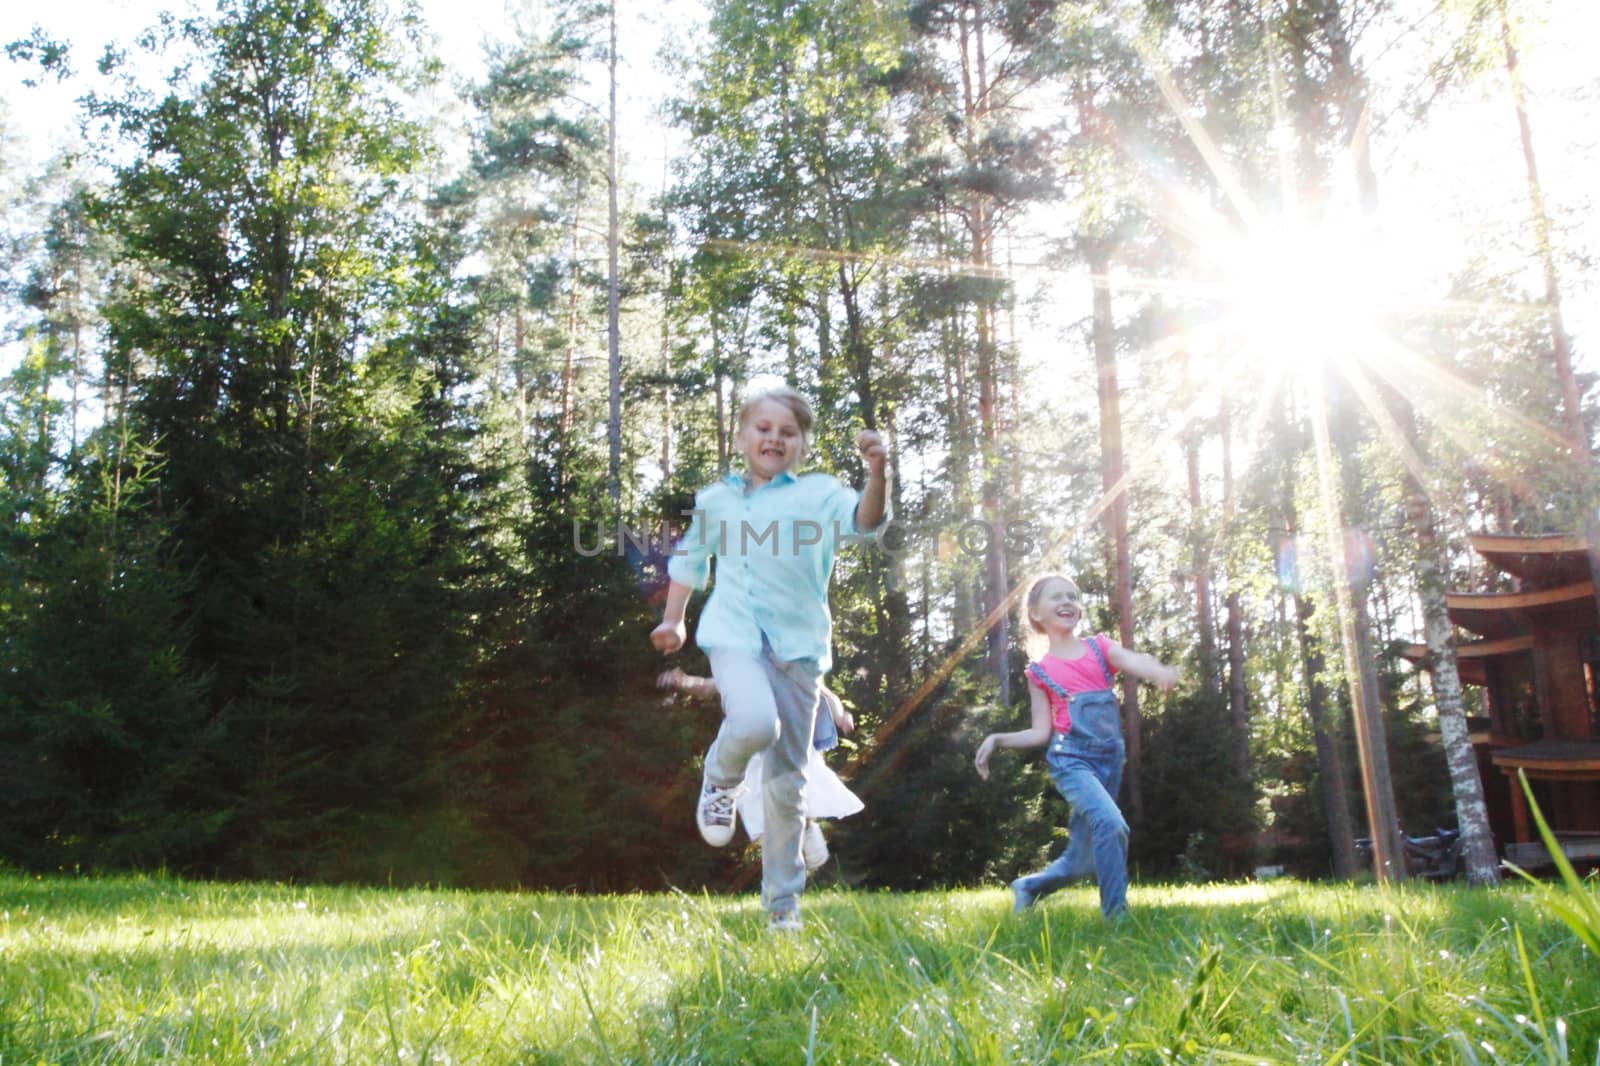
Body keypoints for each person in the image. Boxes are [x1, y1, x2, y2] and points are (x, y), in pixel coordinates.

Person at [652, 385, 889, 932]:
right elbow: (690, 559)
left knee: (788, 782)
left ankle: (782, 909)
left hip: (800, 651)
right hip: (734, 635)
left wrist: (878, 472)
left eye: (788, 432)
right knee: (755, 722)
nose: (774, 439)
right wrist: (673, 617)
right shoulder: (717, 500)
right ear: (741, 437)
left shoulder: (820, 495)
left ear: (802, 445)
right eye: (763, 428)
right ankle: (721, 777)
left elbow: (867, 521)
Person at [974, 574, 1180, 920]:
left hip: (1109, 760)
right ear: (1036, 613)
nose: (1067, 602)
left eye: (1072, 596)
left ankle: (1029, 887)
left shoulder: (1100, 649)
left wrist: (1158, 671)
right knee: (1112, 825)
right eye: (1057, 597)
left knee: (1082, 860)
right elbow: (1041, 732)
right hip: (1071, 760)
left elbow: (1135, 661)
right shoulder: (1040, 672)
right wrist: (998, 739)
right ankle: (1117, 917)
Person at [657, 668, 863, 869]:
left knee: (796, 791)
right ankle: (780, 861)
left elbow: (826, 693)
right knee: (760, 803)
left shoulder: (796, 667)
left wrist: (840, 715)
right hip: (752, 751)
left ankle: (807, 827)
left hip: (789, 741)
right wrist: (683, 681)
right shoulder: (745, 667)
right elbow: (707, 686)